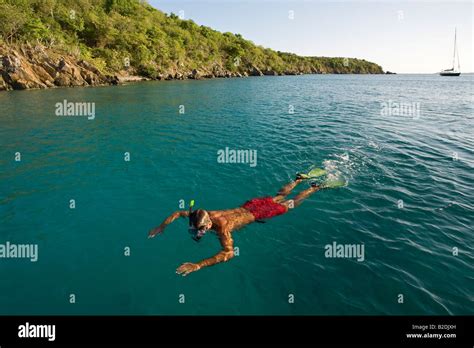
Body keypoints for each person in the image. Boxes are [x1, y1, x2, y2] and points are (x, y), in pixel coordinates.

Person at [148, 175, 322, 276]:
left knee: (290, 204)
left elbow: (229, 253)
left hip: (258, 213)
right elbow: (178, 213)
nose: (202, 231)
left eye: (203, 229)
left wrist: (198, 265)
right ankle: (298, 179)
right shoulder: (203, 214)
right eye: (199, 229)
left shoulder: (222, 228)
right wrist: (162, 226)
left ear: (209, 222)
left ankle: (313, 188)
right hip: (250, 205)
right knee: (277, 196)